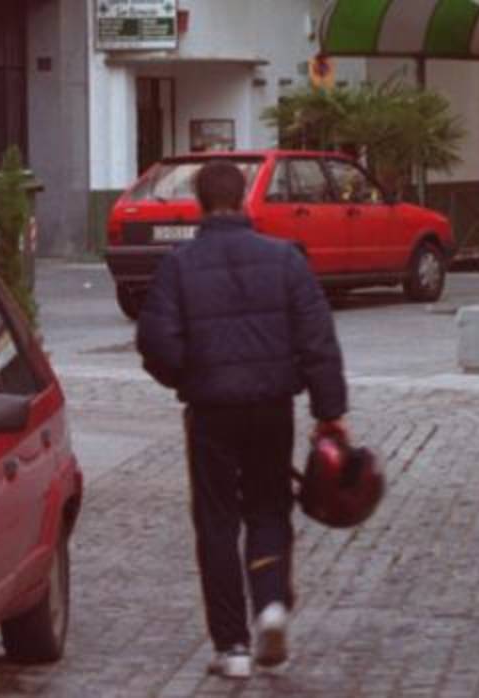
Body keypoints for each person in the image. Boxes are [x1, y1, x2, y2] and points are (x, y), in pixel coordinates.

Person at [137, 160, 348, 680]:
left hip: (211, 412)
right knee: (268, 507)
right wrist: (330, 413)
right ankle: (272, 605)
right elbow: (317, 337)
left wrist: (189, 376)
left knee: (215, 520)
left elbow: (156, 342)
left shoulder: (179, 265)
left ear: (200, 205)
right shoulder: (284, 260)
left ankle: (231, 645)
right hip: (272, 406)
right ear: (247, 199)